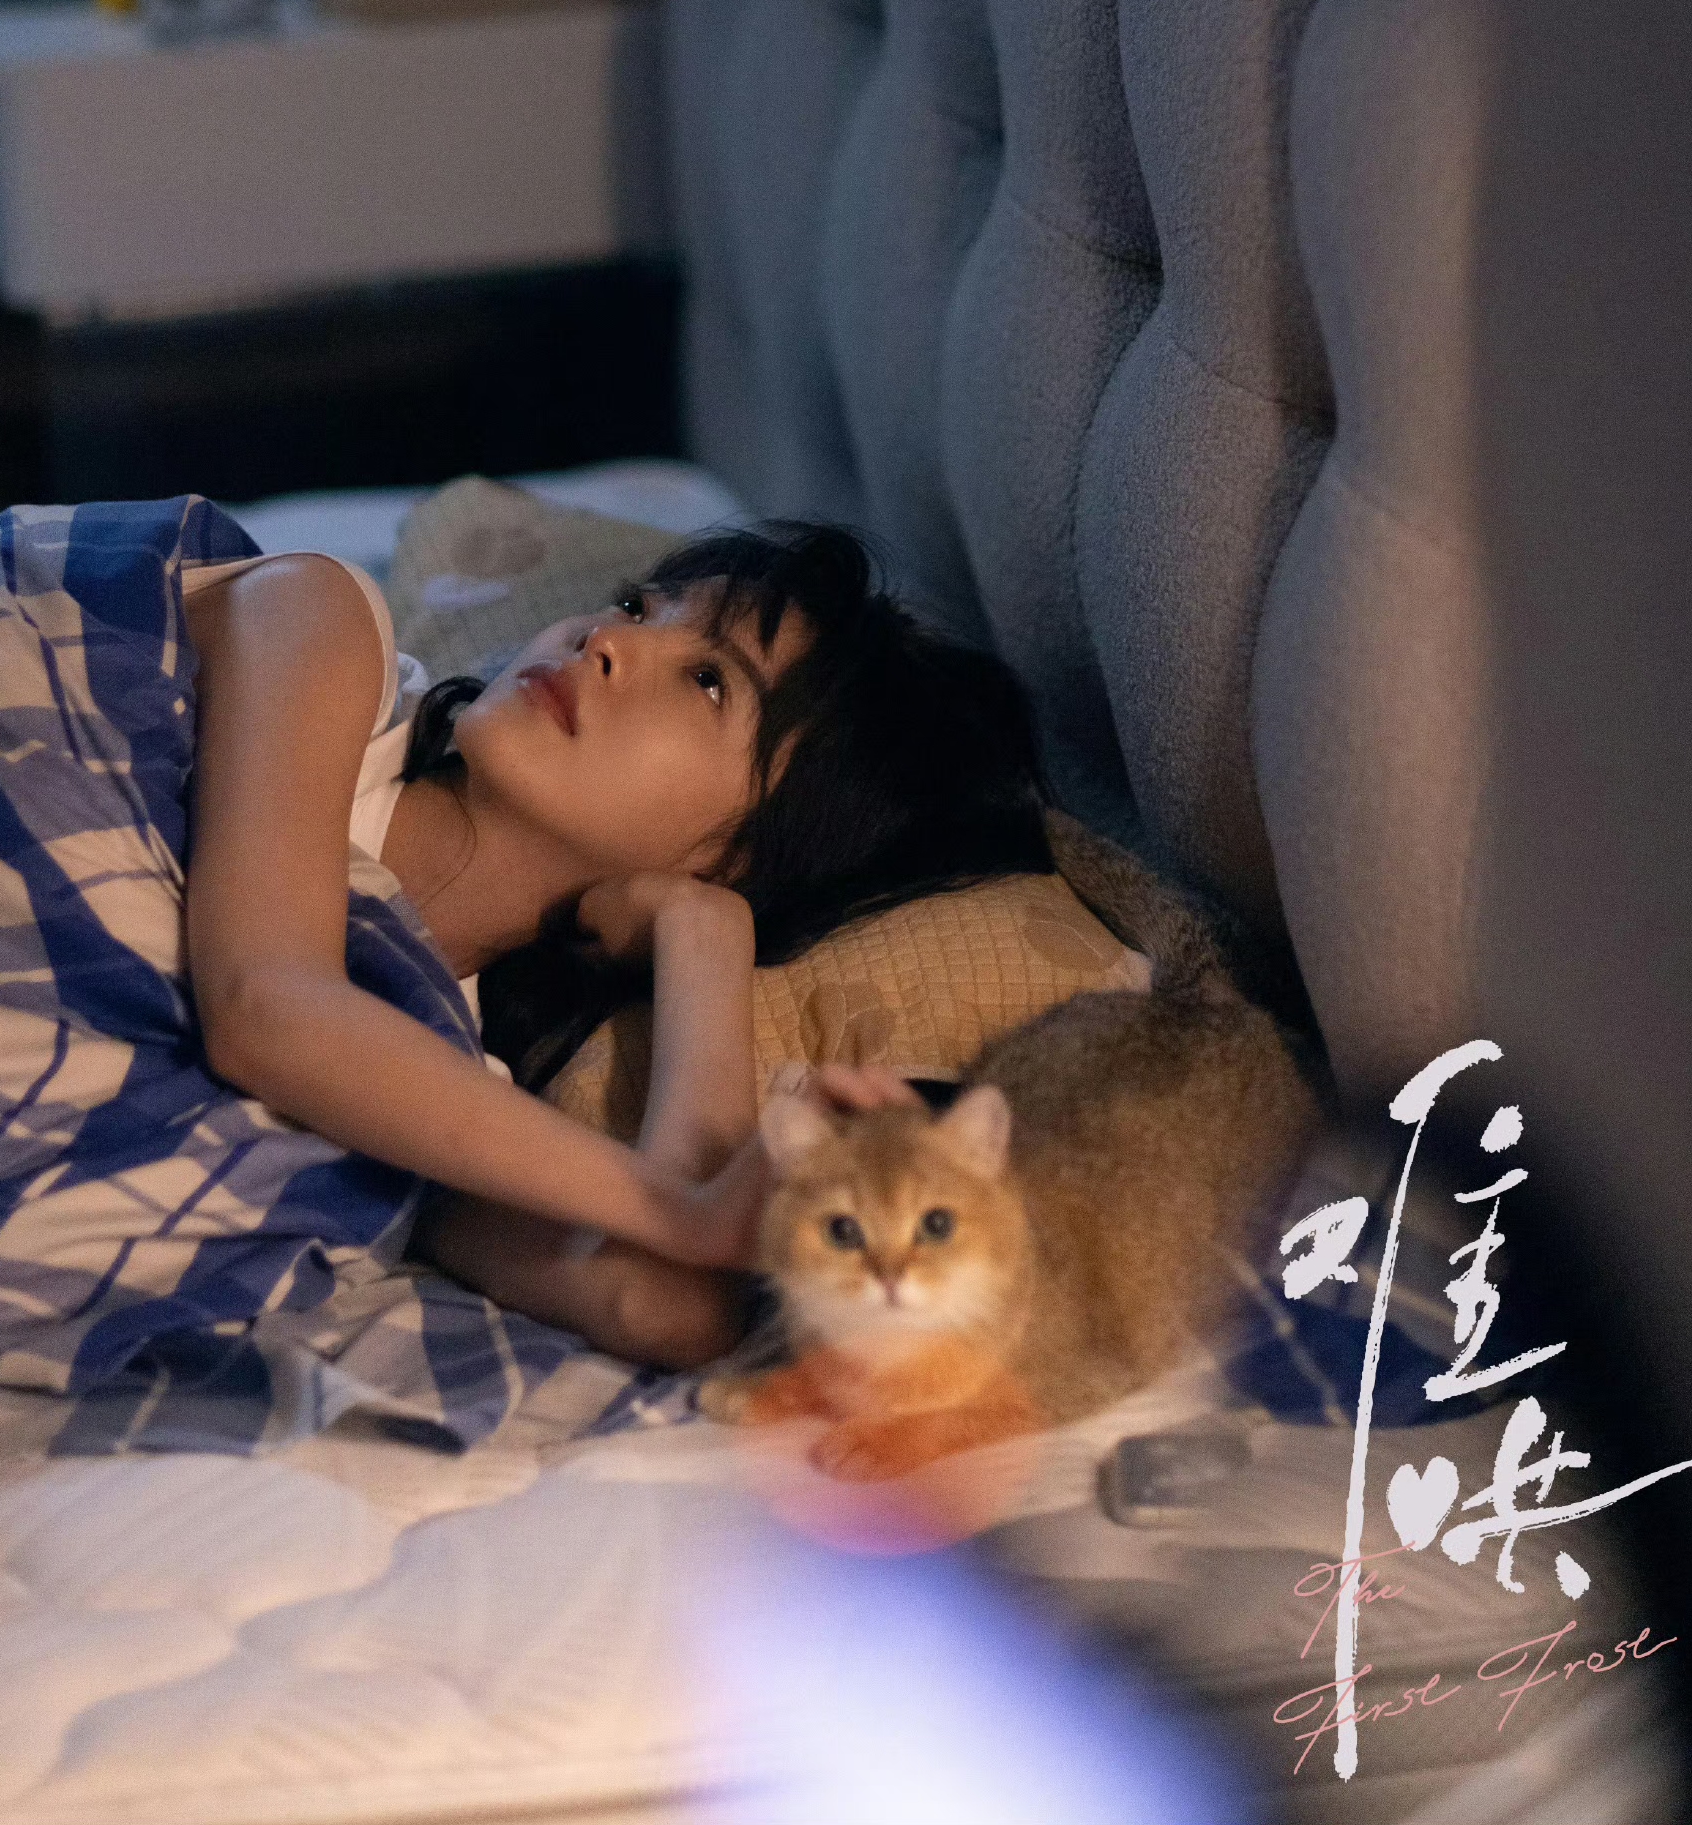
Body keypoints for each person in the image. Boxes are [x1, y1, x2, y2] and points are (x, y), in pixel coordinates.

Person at [183, 522, 1051, 1374]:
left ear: (743, 858)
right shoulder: (320, 620)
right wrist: (681, 1208)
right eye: (636, 605)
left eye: (709, 681)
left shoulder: (442, 1085)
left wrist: (708, 937)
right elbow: (265, 1007)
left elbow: (666, 1306)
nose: (606, 638)